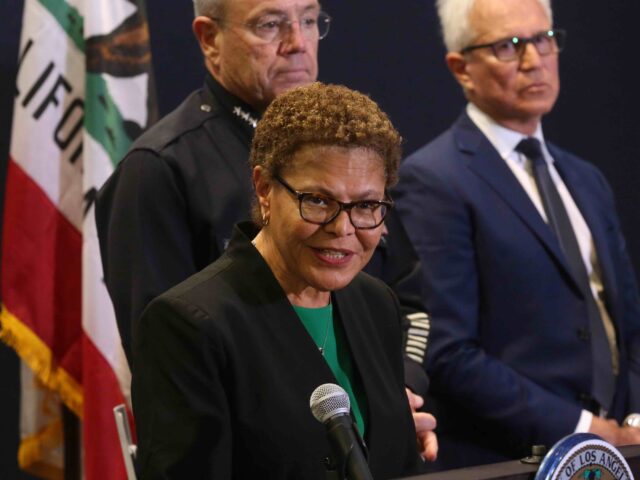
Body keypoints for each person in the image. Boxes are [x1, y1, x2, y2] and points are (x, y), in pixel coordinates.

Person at [131, 82, 436, 478]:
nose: (343, 228)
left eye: (365, 206)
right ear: (264, 189)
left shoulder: (376, 303)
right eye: (319, 201)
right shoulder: (189, 325)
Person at [393, 0, 640, 469]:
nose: (534, 60)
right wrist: (588, 431)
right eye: (508, 46)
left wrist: (632, 421)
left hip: (619, 453)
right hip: (511, 460)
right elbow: (450, 353)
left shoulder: (586, 179)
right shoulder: (434, 181)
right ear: (460, 67)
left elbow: (629, 324)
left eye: (543, 39)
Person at [95, 0, 327, 361]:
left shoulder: (343, 150)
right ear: (209, 38)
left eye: (309, 20)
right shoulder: (156, 171)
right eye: (269, 25)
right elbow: (169, 359)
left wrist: (393, 388)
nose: (298, 42)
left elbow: (405, 294)